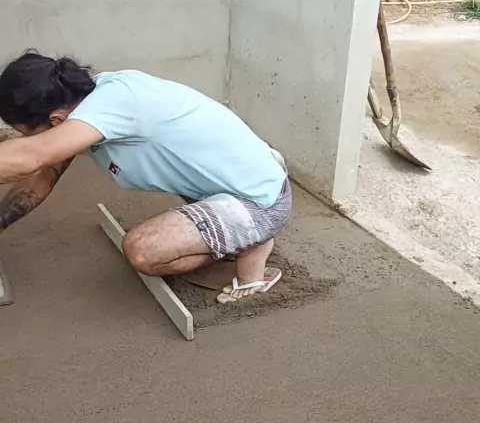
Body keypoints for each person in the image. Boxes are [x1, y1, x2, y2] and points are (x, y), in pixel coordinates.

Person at [0, 51, 292, 303]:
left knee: (143, 251)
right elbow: (43, 172)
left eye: (26, 133)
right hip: (231, 182)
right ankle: (236, 233)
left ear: (56, 120)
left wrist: (32, 149)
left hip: (259, 200)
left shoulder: (115, 104)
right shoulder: (89, 101)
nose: (25, 139)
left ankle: (252, 243)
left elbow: (32, 156)